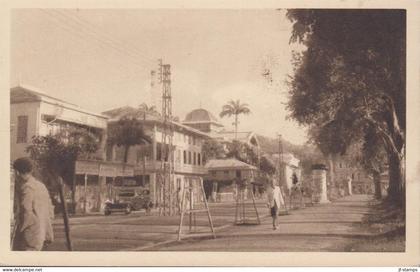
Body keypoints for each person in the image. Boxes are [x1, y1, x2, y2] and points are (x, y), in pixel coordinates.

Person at [11, 158, 54, 251]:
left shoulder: (27, 188)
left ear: (17, 172)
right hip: (44, 232)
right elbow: (50, 210)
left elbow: (26, 211)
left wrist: (20, 230)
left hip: (31, 235)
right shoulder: (41, 186)